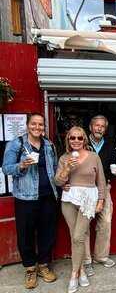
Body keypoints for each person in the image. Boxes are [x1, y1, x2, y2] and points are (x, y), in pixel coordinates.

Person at [3, 113, 58, 289]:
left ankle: (43, 265)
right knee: (25, 234)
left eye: (41, 124)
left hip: (48, 196)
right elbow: (6, 168)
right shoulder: (16, 144)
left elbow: (55, 168)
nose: (37, 127)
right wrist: (21, 166)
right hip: (25, 198)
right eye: (34, 124)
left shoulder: (49, 145)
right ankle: (29, 268)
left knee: (47, 232)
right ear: (27, 125)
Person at [55, 126, 106, 293]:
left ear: (84, 140)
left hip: (87, 200)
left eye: (79, 138)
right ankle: (82, 270)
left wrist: (101, 200)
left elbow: (101, 181)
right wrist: (67, 168)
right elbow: (58, 182)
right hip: (69, 200)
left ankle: (73, 273)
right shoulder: (64, 158)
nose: (76, 141)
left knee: (78, 237)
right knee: (75, 236)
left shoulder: (93, 157)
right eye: (72, 138)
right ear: (68, 140)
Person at [83, 115, 116, 276]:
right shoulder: (81, 142)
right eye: (96, 125)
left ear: (105, 129)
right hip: (84, 189)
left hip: (104, 189)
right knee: (83, 226)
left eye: (102, 126)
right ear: (90, 127)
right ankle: (86, 261)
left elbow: (114, 166)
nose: (99, 128)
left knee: (106, 222)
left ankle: (101, 256)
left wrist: (112, 178)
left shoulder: (110, 144)